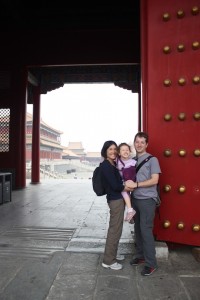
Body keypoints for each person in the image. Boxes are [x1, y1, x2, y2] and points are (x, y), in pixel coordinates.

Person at [125, 132, 161, 276]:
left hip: (147, 200)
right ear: (134, 143)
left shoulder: (153, 160)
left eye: (142, 142)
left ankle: (151, 264)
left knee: (146, 230)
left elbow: (155, 180)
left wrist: (137, 184)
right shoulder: (133, 160)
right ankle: (140, 256)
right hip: (135, 200)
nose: (139, 144)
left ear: (146, 144)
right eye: (137, 142)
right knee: (138, 230)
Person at [100, 140, 132, 270]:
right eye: (110, 150)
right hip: (115, 200)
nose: (113, 152)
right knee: (115, 229)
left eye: (114, 149)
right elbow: (115, 185)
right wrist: (129, 187)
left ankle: (113, 253)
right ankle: (108, 261)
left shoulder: (112, 164)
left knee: (117, 229)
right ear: (105, 152)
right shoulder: (106, 166)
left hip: (117, 199)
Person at [116, 142, 137, 222]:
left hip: (130, 182)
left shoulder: (133, 162)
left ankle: (130, 211)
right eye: (123, 150)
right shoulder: (117, 162)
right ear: (119, 152)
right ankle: (130, 214)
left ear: (130, 151)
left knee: (124, 192)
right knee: (126, 194)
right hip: (122, 182)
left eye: (127, 150)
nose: (125, 152)